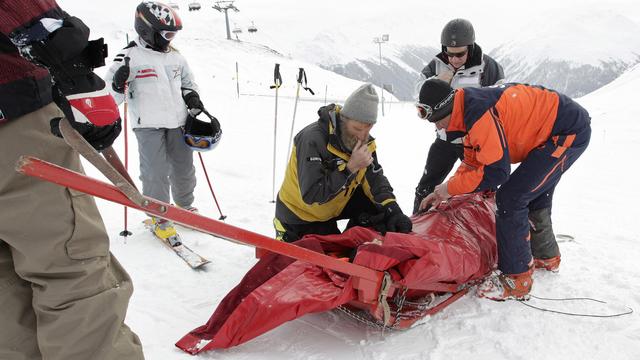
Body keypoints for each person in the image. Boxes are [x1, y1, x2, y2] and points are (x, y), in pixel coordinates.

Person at [0, 2, 144, 359]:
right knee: (71, 272)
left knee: (5, 290)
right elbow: (32, 21)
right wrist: (73, 71)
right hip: (14, 121)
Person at [416, 79, 591, 300]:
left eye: (439, 120)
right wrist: (444, 190)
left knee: (511, 198)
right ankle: (546, 256)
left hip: (567, 132)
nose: (438, 127)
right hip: (553, 130)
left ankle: (517, 279)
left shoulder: (477, 114)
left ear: (448, 108)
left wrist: (449, 189)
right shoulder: (464, 112)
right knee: (534, 191)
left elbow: (496, 172)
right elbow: (473, 162)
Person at [106, 1, 205, 241]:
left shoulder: (176, 58)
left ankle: (184, 206)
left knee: (183, 169)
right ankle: (159, 215)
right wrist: (118, 84)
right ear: (147, 29)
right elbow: (110, 97)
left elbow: (188, 84)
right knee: (155, 172)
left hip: (178, 122)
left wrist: (192, 98)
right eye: (167, 33)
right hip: (147, 124)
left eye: (174, 34)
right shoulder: (128, 56)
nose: (170, 39)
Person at [274, 83, 412, 242]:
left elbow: (374, 178)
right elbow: (312, 194)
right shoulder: (312, 139)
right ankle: (284, 231)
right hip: (301, 215)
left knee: (379, 211)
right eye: (357, 129)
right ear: (343, 120)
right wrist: (351, 167)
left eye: (368, 129)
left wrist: (393, 211)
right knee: (318, 259)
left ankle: (358, 243)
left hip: (333, 205)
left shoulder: (364, 142)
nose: (362, 136)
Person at [414, 18, 504, 214]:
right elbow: (419, 93)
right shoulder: (437, 65)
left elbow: (499, 101)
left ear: (470, 48)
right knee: (426, 187)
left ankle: (485, 228)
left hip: (474, 142)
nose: (454, 59)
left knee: (481, 188)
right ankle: (415, 226)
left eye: (460, 54)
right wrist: (438, 81)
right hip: (445, 139)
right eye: (449, 53)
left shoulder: (488, 67)